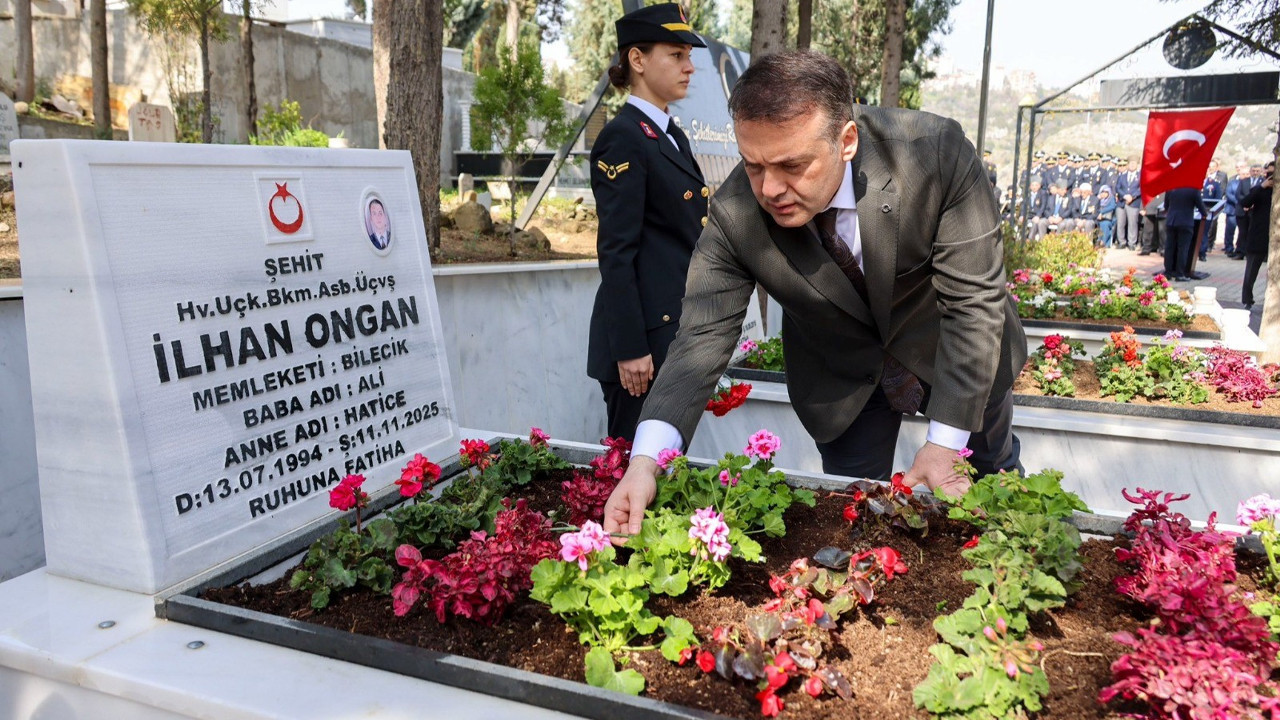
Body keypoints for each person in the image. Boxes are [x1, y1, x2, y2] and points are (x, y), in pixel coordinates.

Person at [603, 51, 1027, 541]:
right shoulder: (736, 212)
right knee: (855, 522)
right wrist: (645, 462)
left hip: (958, 358)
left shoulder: (934, 154)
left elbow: (973, 302)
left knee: (994, 487)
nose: (770, 189)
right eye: (753, 165)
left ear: (846, 141)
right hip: (842, 379)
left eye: (792, 165)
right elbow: (699, 339)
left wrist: (947, 441)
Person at [586, 3, 709, 442]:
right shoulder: (624, 137)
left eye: (688, 56)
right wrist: (631, 348)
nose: (689, 67)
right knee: (633, 471)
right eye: (676, 55)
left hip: (670, 336)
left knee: (665, 467)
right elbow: (616, 252)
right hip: (642, 351)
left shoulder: (669, 134)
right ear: (637, 59)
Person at [1240, 161, 1274, 309]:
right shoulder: (1259, 190)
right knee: (1251, 271)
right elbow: (1245, 202)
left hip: (1275, 239)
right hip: (1258, 236)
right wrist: (1261, 187)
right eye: (1269, 174)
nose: (1271, 178)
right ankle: (1247, 300)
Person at [1163, 186, 1209, 281]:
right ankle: (1180, 274)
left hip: (1171, 221)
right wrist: (1205, 214)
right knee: (1183, 249)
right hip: (1185, 222)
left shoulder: (1170, 188)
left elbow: (1166, 205)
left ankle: (1168, 272)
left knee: (1169, 248)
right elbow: (1201, 206)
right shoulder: (1193, 190)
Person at [1225, 161, 1252, 258]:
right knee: (1230, 231)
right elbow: (1230, 194)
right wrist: (1242, 203)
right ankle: (1230, 249)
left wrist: (1248, 204)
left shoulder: (1252, 182)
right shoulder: (1233, 181)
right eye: (1243, 174)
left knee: (1244, 232)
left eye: (1247, 174)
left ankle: (1243, 251)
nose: (1245, 176)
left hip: (1248, 210)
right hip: (1235, 209)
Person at [1114, 158, 1142, 249]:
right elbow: (1118, 188)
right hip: (1122, 202)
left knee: (1132, 224)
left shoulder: (1140, 176)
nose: (1132, 165)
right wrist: (1125, 196)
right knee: (1120, 223)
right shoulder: (1122, 176)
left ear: (1137, 165)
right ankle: (1121, 242)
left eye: (1134, 163)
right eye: (1130, 163)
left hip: (1134, 203)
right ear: (1127, 165)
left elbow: (1141, 188)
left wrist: (1132, 197)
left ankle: (1132, 243)